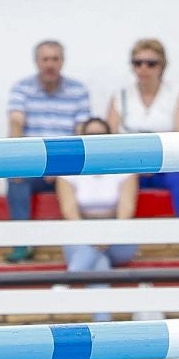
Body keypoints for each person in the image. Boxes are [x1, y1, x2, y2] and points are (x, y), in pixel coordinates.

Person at [104, 38, 179, 249]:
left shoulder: (177, 93)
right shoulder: (120, 95)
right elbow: (109, 137)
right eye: (138, 62)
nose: (143, 68)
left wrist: (154, 161)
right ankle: (114, 239)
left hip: (167, 161)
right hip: (129, 163)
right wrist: (136, 163)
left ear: (162, 66)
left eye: (151, 63)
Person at [5, 40, 91, 261]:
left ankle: (82, 242)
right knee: (16, 179)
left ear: (62, 61)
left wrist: (59, 165)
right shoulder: (21, 88)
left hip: (67, 163)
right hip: (33, 162)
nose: (50, 64)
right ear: (37, 62)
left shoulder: (78, 91)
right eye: (45, 59)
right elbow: (16, 127)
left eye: (55, 59)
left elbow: (80, 133)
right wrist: (20, 164)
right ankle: (22, 244)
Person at [56, 117, 138, 318]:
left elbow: (127, 209)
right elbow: (69, 211)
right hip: (81, 230)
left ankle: (71, 277)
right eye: (90, 135)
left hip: (117, 234)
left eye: (101, 135)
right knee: (100, 263)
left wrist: (109, 235)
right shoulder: (68, 169)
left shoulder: (124, 167)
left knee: (94, 254)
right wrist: (93, 237)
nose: (95, 140)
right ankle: (103, 322)